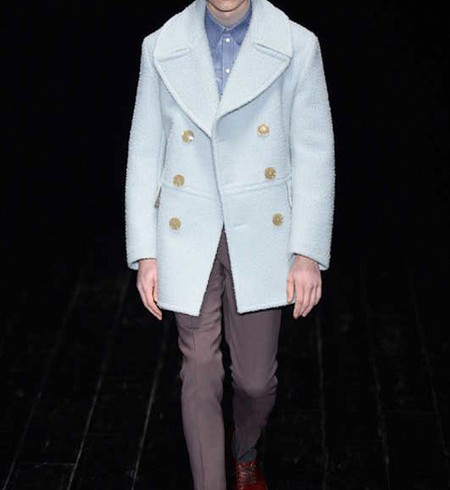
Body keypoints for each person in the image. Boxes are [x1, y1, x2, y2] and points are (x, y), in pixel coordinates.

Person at [124, 0, 335, 488]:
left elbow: (314, 151)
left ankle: (246, 449)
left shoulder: (297, 46)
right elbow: (145, 151)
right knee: (198, 368)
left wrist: (307, 252)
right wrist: (146, 252)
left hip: (262, 231)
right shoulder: (161, 47)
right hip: (187, 229)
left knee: (256, 382)